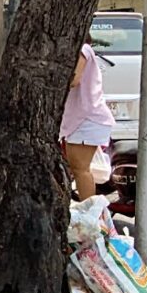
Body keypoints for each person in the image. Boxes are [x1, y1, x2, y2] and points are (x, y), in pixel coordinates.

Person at [60, 35, 116, 201]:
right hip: (81, 118)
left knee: (80, 169)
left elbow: (74, 79)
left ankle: (89, 212)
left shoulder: (83, 50)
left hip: (87, 119)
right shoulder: (85, 50)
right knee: (76, 168)